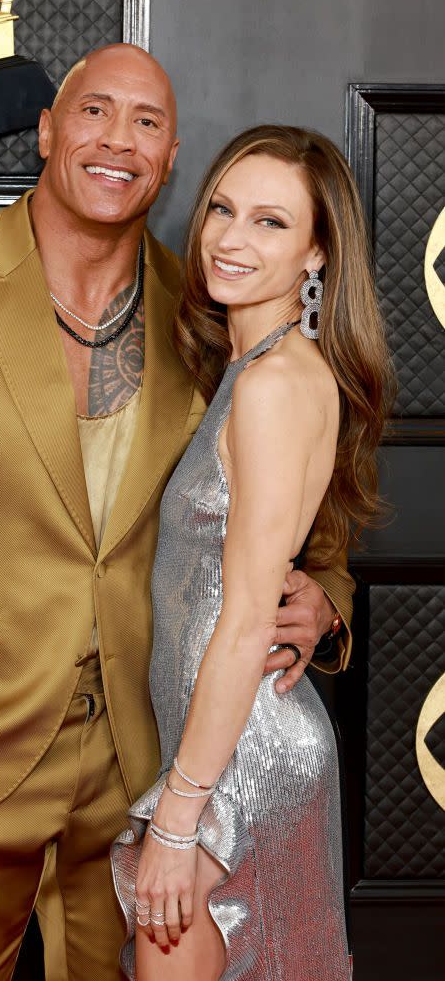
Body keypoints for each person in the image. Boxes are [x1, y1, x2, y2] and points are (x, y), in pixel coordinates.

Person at [0, 47, 354, 981]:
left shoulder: (212, 308)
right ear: (49, 129)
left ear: (171, 156)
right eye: (96, 111)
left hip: (149, 761)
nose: (118, 141)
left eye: (146, 123)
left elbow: (299, 499)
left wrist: (325, 595)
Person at [111, 125, 395, 981]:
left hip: (236, 761)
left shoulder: (273, 384)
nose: (232, 239)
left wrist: (178, 818)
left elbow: (240, 622)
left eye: (271, 222)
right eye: (223, 210)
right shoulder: (257, 368)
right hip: (224, 742)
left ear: (318, 253)